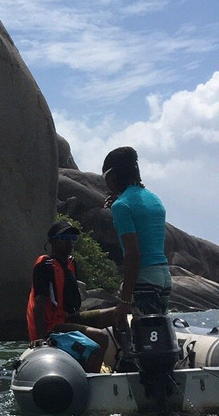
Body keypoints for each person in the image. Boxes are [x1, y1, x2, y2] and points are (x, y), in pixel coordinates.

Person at [26, 220, 110, 372]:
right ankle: (94, 378)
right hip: (52, 326)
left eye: (73, 239)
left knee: (118, 313)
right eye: (64, 239)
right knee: (102, 337)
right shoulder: (44, 265)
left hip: (68, 318)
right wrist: (40, 340)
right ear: (52, 241)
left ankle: (128, 360)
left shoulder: (70, 263)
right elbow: (39, 303)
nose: (70, 243)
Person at [102, 146, 171, 326]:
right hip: (163, 277)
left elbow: (133, 253)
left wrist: (124, 302)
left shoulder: (121, 206)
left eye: (105, 177)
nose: (105, 182)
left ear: (113, 175)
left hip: (144, 278)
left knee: (144, 335)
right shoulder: (154, 198)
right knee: (157, 332)